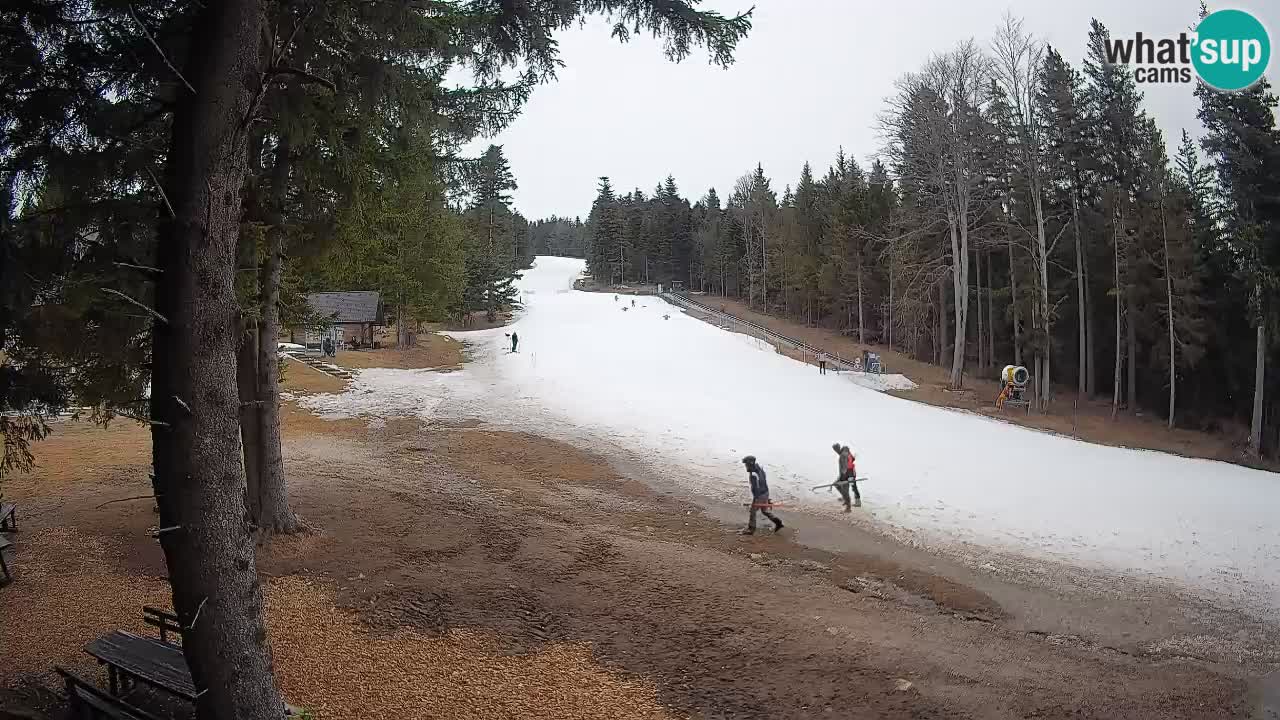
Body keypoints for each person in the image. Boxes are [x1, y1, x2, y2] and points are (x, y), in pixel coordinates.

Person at [741, 455, 783, 535]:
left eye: (746, 464)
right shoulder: (760, 469)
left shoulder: (753, 474)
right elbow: (764, 482)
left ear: (750, 464)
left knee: (753, 511)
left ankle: (751, 529)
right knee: (764, 510)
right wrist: (767, 498)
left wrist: (756, 500)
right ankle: (778, 522)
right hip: (765, 492)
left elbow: (756, 488)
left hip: (759, 495)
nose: (745, 466)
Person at [831, 443, 861, 511]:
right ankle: (845, 499)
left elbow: (844, 469)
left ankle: (854, 504)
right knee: (838, 485)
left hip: (849, 474)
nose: (835, 451)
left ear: (838, 448)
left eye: (835, 449)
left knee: (851, 487)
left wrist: (842, 480)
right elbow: (851, 460)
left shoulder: (843, 455)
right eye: (834, 450)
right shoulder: (844, 452)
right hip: (848, 473)